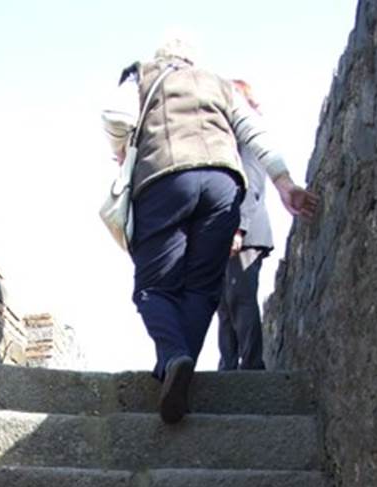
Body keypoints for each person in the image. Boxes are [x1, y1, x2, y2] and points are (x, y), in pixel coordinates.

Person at [102, 37, 317, 423]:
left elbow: (115, 117)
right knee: (202, 288)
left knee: (153, 287)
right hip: (223, 184)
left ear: (161, 55)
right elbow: (254, 132)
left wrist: (122, 149)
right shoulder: (220, 83)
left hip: (165, 179)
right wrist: (285, 183)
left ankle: (173, 357)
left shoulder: (142, 75)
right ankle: (177, 371)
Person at [217, 81, 272, 372]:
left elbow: (253, 186)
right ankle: (227, 367)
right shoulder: (230, 141)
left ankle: (251, 368)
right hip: (229, 233)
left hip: (245, 234)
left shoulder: (250, 137)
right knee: (224, 305)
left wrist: (240, 228)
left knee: (240, 298)